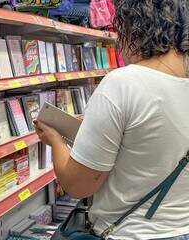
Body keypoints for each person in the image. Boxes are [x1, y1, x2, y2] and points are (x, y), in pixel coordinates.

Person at [34, 0, 189, 239]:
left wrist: (55, 140)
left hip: (129, 232)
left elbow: (78, 186)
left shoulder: (124, 83)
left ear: (133, 29)